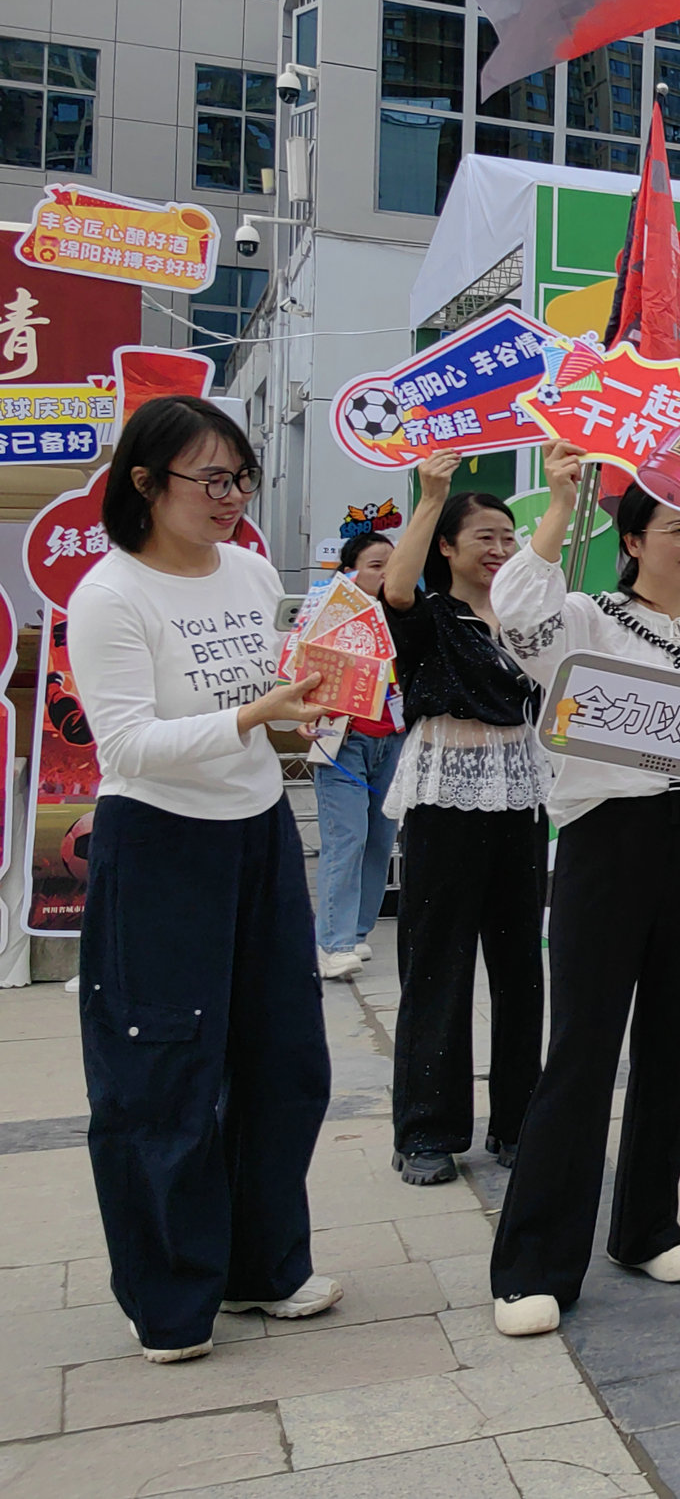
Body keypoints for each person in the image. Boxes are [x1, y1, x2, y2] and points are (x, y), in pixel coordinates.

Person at [486, 446, 680, 1338]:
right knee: (581, 1047)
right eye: (677, 529)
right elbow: (517, 616)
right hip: (605, 846)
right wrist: (557, 507)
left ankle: (647, 1225)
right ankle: (533, 1263)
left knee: (670, 1043)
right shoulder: (586, 617)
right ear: (632, 540)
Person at [72, 396, 342, 1362]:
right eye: (211, 479)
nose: (231, 498)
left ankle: (263, 1268)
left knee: (284, 1059)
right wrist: (252, 716)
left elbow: (264, 699)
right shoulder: (110, 595)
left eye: (241, 478)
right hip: (159, 845)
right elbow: (127, 746)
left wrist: (293, 717)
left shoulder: (252, 572)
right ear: (146, 484)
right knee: (162, 1074)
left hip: (257, 831)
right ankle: (169, 1301)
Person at [380, 454, 547, 1187]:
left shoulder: (530, 623)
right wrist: (432, 497)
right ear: (446, 546)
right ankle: (426, 1130)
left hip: (522, 798)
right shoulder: (431, 618)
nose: (500, 549)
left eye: (509, 537)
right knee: (436, 966)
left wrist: (563, 500)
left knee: (521, 969)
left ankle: (518, 1121)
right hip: (443, 799)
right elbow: (396, 590)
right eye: (484, 537)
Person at [309, 531, 400, 981]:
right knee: (347, 838)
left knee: (380, 840)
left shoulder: (407, 613)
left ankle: (357, 932)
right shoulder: (327, 616)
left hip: (394, 740)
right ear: (349, 573)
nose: (385, 575)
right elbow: (298, 669)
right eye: (375, 566)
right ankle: (334, 942)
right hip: (343, 740)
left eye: (392, 565)